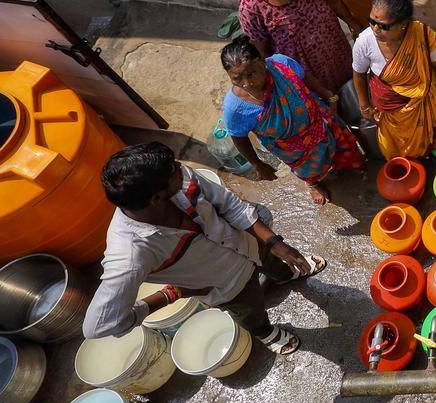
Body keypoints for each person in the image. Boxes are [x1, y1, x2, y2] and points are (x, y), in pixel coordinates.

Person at [83, 142, 325, 354]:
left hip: (248, 242)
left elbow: (229, 205)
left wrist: (274, 242)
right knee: (250, 312)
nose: (181, 168)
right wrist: (169, 295)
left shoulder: (176, 179)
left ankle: (285, 274)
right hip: (228, 286)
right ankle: (265, 332)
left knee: (274, 261)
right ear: (156, 198)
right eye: (174, 171)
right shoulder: (131, 252)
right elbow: (99, 324)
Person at [220, 37, 364, 205]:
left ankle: (348, 164)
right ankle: (313, 183)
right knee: (310, 169)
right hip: (293, 148)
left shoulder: (281, 65)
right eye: (237, 79)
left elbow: (305, 77)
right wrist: (258, 165)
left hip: (318, 120)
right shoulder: (235, 108)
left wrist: (327, 95)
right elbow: (239, 138)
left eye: (250, 74)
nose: (246, 83)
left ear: (262, 62)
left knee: (341, 143)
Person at [237, 0, 360, 93]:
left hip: (335, 47)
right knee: (324, 98)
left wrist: (352, 23)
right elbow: (262, 50)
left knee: (351, 86)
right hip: (304, 68)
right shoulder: (250, 7)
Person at [351, 0, 436, 159]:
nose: (375, 29)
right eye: (372, 21)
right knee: (392, 146)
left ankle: (422, 156)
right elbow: (359, 73)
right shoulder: (364, 43)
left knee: (423, 138)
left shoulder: (423, 35)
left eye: (384, 26)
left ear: (403, 24)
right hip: (388, 110)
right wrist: (364, 106)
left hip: (420, 105)